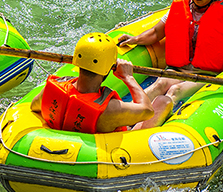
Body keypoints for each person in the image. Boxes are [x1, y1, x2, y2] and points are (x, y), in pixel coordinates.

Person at [115, 0, 223, 107]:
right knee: (160, 84)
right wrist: (134, 39)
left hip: (206, 75)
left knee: (175, 90)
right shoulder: (179, 7)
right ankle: (127, 115)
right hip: (177, 69)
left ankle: (153, 123)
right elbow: (156, 32)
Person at [33, 33, 172, 134]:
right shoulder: (110, 109)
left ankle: (162, 85)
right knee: (164, 101)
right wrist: (128, 77)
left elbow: (34, 106)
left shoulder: (53, 88)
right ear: (108, 69)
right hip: (116, 147)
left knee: (159, 86)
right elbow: (147, 111)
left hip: (67, 135)